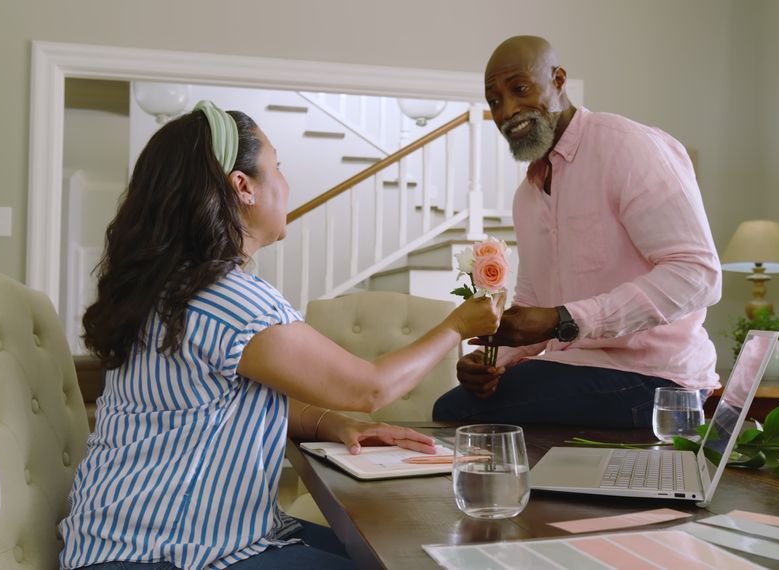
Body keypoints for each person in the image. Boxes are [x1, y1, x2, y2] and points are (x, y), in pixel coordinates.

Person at [59, 101, 502, 570]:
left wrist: (334, 424)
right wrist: (456, 325)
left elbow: (220, 399)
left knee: (385, 553)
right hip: (171, 555)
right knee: (405, 560)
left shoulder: (163, 288)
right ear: (243, 186)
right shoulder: (232, 300)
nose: (287, 185)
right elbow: (368, 387)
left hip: (112, 541)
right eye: (278, 167)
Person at [433, 35, 722, 428]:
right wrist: (493, 362)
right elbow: (535, 301)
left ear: (557, 80)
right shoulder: (527, 195)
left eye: (519, 89)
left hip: (659, 379)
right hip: (579, 367)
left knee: (454, 413)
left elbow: (698, 276)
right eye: (495, 100)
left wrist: (563, 319)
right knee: (460, 403)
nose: (508, 110)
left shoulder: (628, 148)